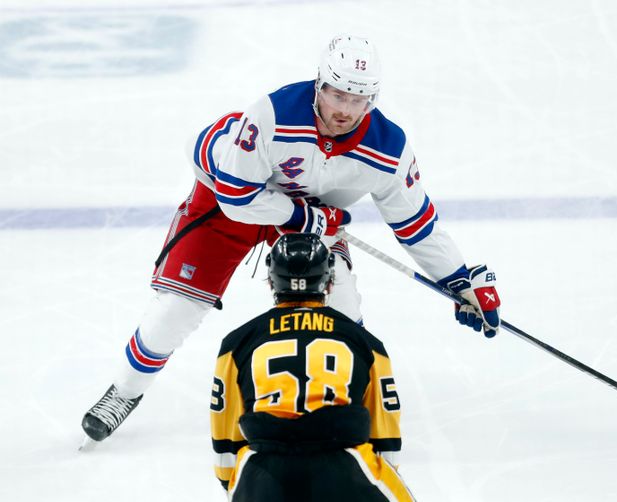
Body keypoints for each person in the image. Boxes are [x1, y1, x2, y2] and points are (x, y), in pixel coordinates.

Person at [81, 34, 501, 443]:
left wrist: (460, 281)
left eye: (358, 100)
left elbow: (416, 224)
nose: (345, 110)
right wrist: (306, 216)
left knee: (341, 309)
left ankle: (350, 400)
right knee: (176, 309)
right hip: (233, 200)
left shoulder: (389, 148)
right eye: (337, 95)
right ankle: (124, 391)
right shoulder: (272, 114)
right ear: (320, 84)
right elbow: (235, 196)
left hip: (313, 214)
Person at [211, 233, 414, 501]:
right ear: (329, 282)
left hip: (262, 472)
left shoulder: (237, 343)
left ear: (271, 280)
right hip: (343, 466)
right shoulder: (364, 341)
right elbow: (385, 431)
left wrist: (242, 486)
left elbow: (225, 434)